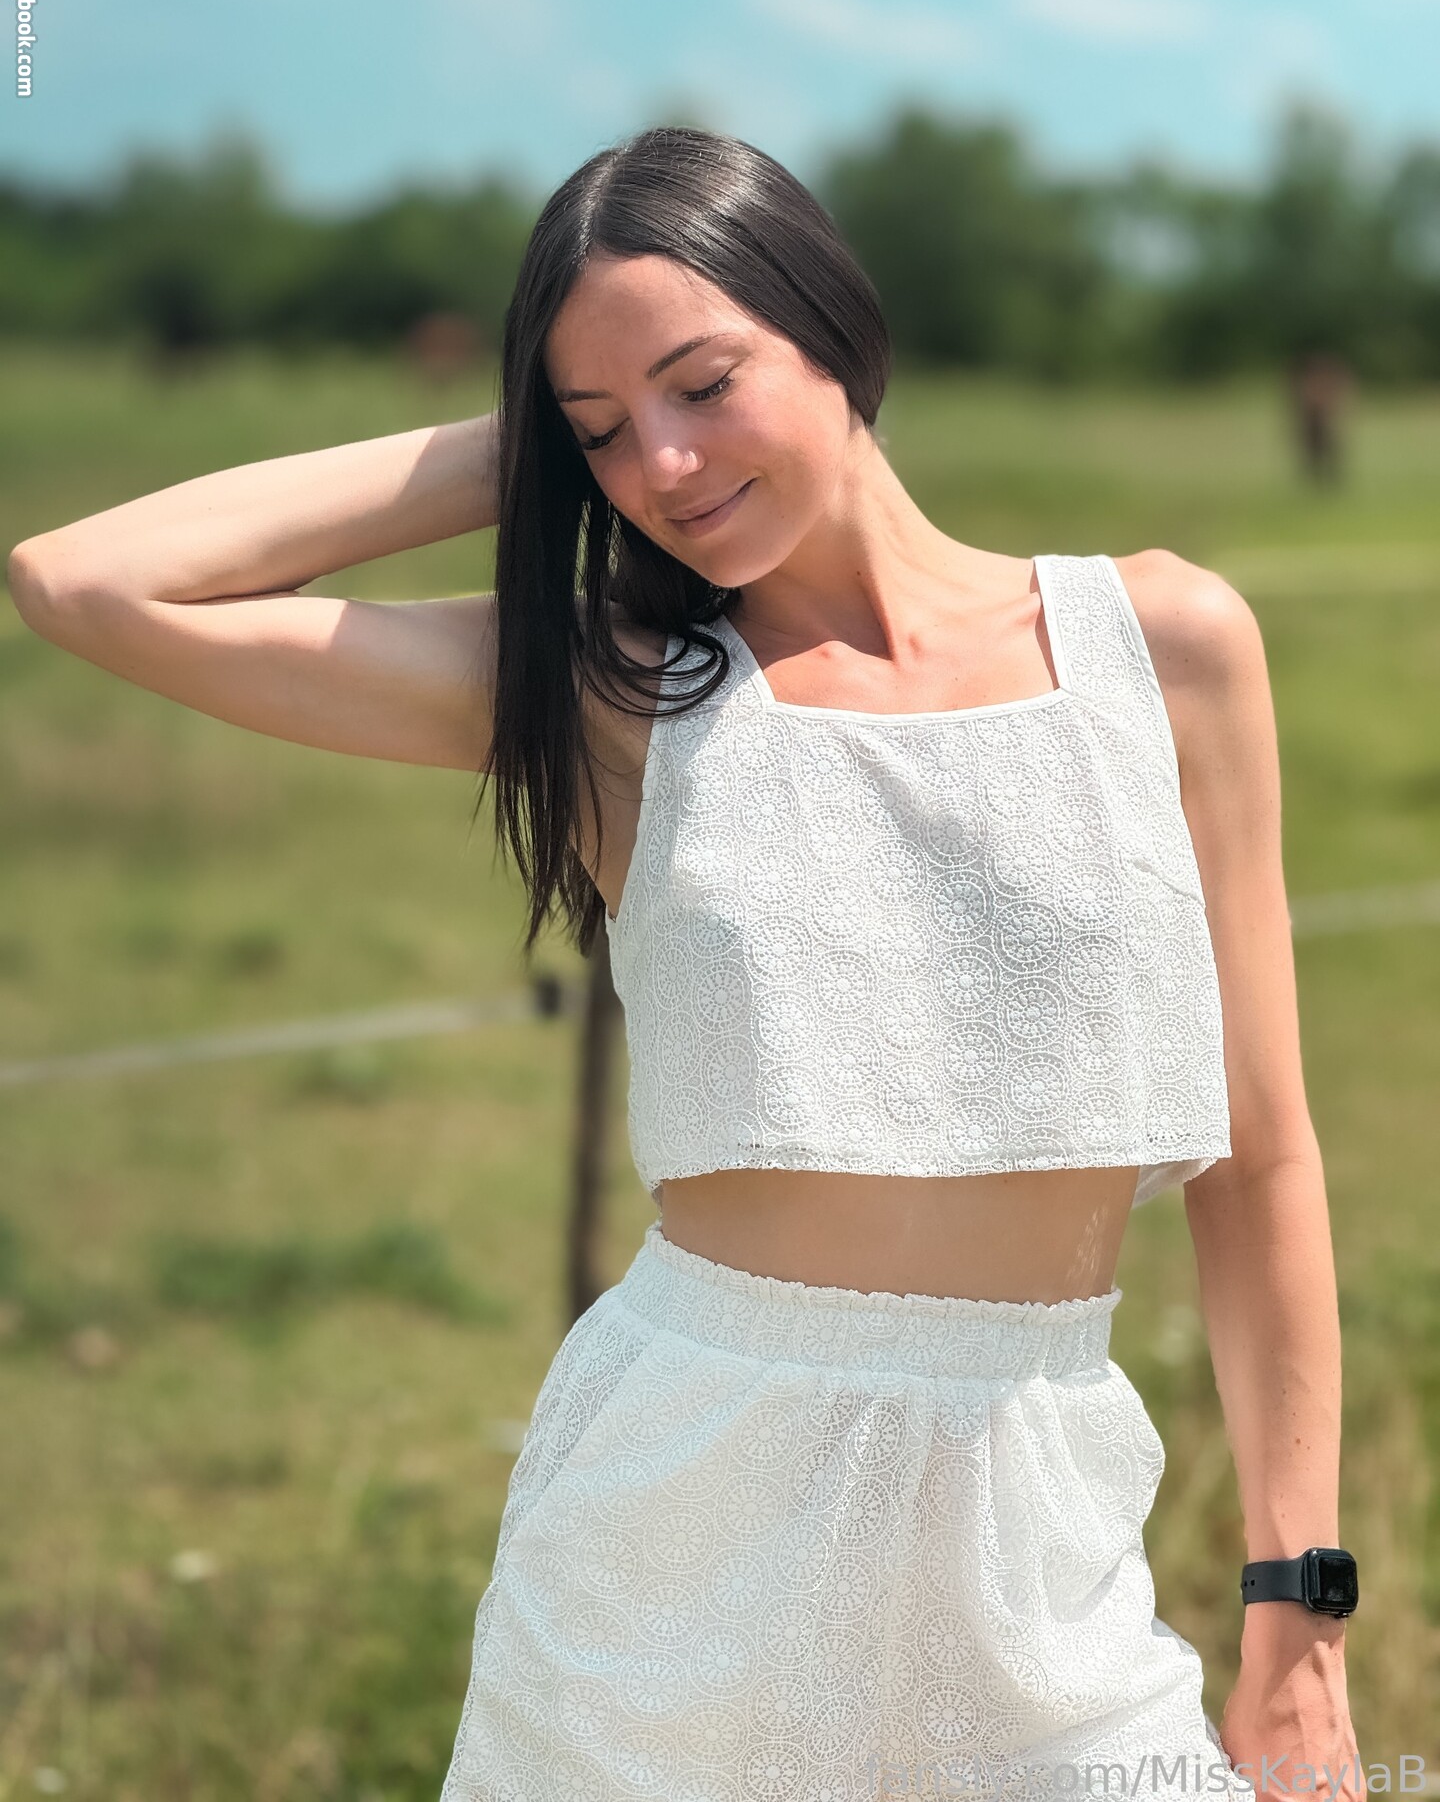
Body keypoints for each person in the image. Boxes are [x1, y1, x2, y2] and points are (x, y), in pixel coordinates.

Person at [8, 127, 1361, 1801]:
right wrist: (524, 449)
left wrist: (1300, 1609)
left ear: (834, 325)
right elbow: (84, 583)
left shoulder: (1166, 647)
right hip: (675, 1555)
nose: (661, 463)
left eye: (703, 385)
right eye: (602, 430)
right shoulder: (614, 693)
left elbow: (1263, 1156)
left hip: (1044, 1551)